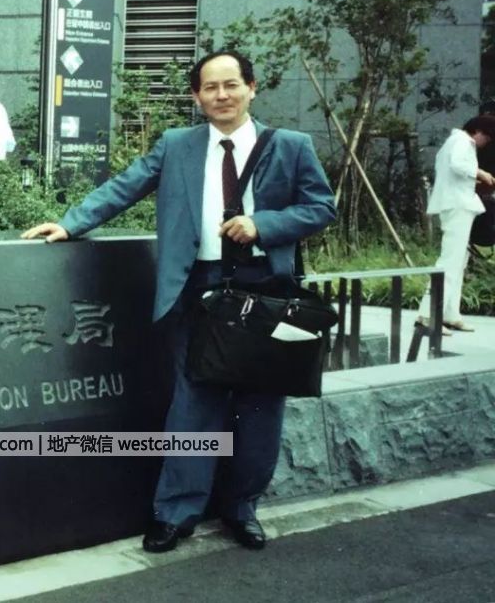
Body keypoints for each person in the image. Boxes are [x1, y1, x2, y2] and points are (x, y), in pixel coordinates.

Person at [22, 51, 336, 553]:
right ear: (196, 96)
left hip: (267, 291)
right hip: (199, 288)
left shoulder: (291, 147)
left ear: (251, 87)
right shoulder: (176, 145)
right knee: (193, 404)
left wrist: (263, 225)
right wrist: (71, 223)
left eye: (231, 84)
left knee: (260, 408)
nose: (222, 95)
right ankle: (176, 512)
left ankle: (242, 508)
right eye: (210, 87)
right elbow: (125, 186)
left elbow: (322, 207)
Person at [415, 116, 495, 333]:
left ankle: (450, 313)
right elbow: (458, 165)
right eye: (487, 137)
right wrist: (481, 173)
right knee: (450, 262)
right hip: (457, 206)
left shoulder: (455, 142)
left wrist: (476, 179)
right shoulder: (462, 141)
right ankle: (427, 315)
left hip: (458, 204)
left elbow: (455, 172)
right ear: (477, 131)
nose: (486, 142)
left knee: (458, 262)